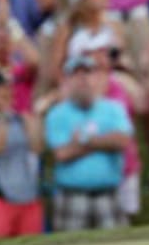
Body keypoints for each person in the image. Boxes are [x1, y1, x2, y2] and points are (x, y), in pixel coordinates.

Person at [42, 51, 134, 233]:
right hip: (72, 194)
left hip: (108, 192)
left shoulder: (113, 109)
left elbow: (123, 141)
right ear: (67, 81)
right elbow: (62, 153)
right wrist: (104, 142)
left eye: (88, 73)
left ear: (97, 77)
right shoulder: (57, 114)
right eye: (76, 74)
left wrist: (84, 141)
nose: (83, 79)